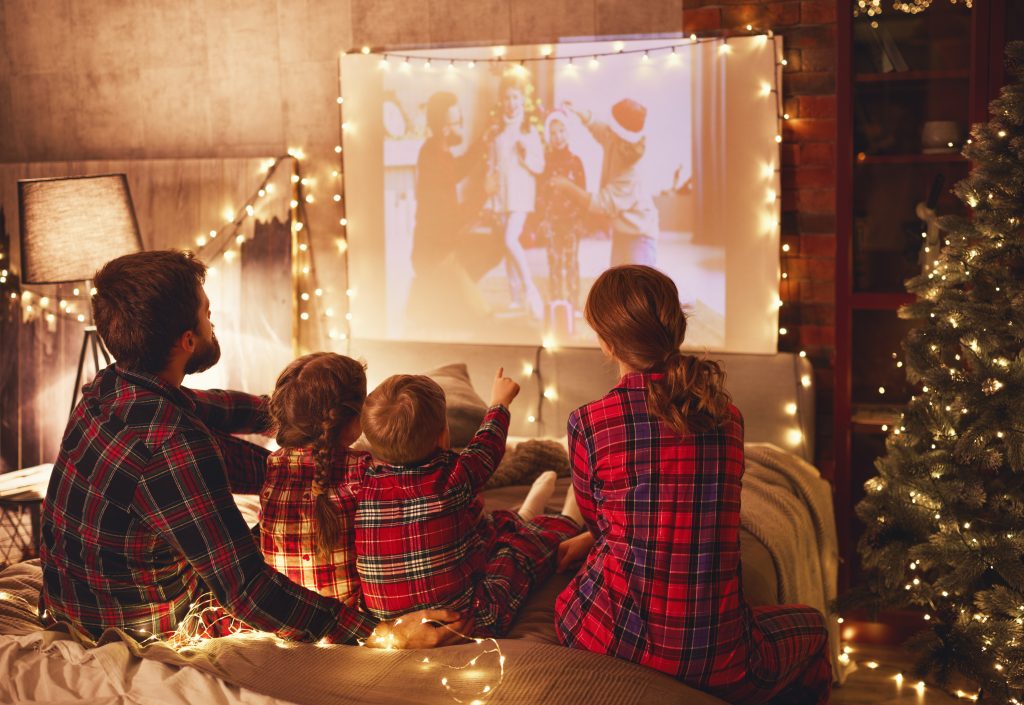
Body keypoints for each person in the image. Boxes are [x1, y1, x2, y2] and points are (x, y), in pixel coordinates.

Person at [38, 250, 467, 649]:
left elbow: (215, 408)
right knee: (282, 519)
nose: (213, 320)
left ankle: (307, 473)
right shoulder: (176, 447)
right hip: (135, 624)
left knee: (282, 474)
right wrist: (379, 632)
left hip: (72, 600)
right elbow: (246, 590)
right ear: (188, 340)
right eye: (207, 313)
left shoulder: (109, 388)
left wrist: (305, 414)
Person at [553, 265, 831, 704]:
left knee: (568, 600)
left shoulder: (587, 423)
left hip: (612, 638)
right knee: (814, 627)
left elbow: (603, 525)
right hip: (721, 660)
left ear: (607, 343)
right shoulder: (728, 417)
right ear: (675, 331)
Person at [355, 369, 581, 636]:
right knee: (518, 550)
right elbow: (488, 445)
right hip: (469, 620)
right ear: (443, 435)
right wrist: (500, 403)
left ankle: (527, 511)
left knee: (491, 524)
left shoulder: (362, 484)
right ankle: (570, 518)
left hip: (393, 627)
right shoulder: (454, 479)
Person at [260, 352, 369, 607]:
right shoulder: (364, 470)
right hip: (350, 614)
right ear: (353, 416)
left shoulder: (274, 465)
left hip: (286, 612)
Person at [553, 99, 659, 267]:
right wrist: (579, 111)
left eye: (611, 128)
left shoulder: (632, 171)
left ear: (620, 135)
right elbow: (598, 127)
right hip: (623, 230)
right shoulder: (617, 139)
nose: (607, 130)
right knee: (618, 288)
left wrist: (567, 186)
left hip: (640, 236)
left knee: (638, 290)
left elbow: (601, 204)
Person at [485, 72, 546, 320]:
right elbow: (491, 166)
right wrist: (490, 199)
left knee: (511, 240)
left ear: (522, 101)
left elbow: (539, 166)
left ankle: (530, 289)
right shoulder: (497, 132)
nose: (511, 102)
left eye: (515, 97)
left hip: (520, 195)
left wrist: (525, 155)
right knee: (507, 248)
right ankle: (515, 298)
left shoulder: (529, 131)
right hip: (501, 197)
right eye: (507, 98)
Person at [538, 110, 587, 322]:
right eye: (553, 133)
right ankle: (557, 301)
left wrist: (581, 221)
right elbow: (541, 194)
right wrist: (542, 219)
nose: (558, 136)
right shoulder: (545, 163)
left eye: (561, 131)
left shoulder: (576, 161)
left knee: (571, 261)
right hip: (552, 221)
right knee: (554, 262)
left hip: (572, 221)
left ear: (568, 133)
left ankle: (574, 303)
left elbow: (583, 194)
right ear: (549, 136)